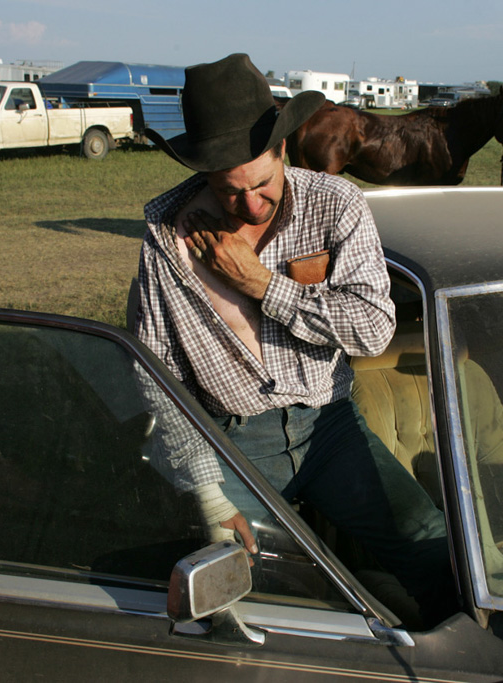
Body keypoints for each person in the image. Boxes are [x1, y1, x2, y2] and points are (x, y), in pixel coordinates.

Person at [133, 53, 454, 627]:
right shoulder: (166, 236)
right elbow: (156, 374)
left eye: (262, 184)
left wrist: (261, 284)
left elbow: (374, 327)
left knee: (430, 546)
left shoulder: (337, 204)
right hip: (231, 439)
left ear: (284, 149)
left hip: (329, 426)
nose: (251, 205)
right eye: (230, 192)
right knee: (229, 587)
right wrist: (209, 494)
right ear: (203, 172)